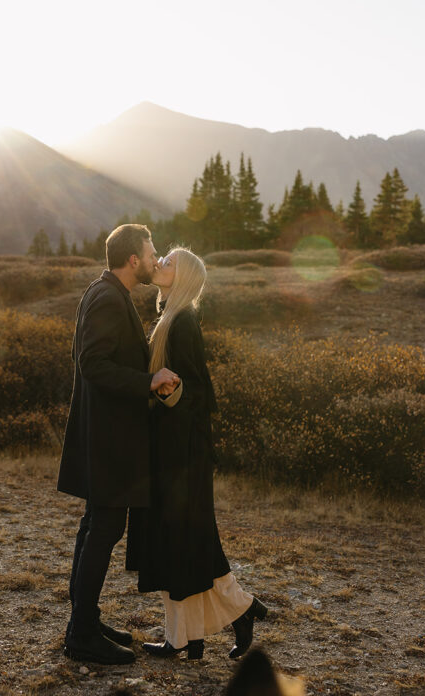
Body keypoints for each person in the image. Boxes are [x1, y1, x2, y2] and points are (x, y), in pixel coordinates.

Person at [127, 247, 267, 660]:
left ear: (183, 276)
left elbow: (199, 390)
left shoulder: (183, 320)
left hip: (182, 453)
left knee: (184, 539)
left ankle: (239, 609)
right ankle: (185, 638)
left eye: (168, 262)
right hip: (172, 447)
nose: (161, 265)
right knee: (178, 542)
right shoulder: (170, 317)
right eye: (162, 258)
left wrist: (170, 392)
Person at [57, 224, 179, 665]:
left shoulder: (105, 291)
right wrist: (149, 381)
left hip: (102, 436)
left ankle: (84, 619)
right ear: (133, 260)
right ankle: (81, 634)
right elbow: (93, 363)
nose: (155, 259)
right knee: (103, 530)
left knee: (94, 527)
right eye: (151, 253)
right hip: (108, 440)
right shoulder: (108, 298)